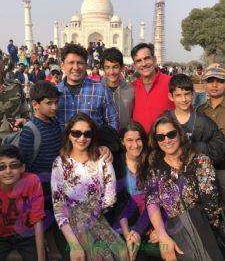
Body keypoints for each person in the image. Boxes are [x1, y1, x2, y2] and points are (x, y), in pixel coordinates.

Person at [146, 116, 224, 261]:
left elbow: (211, 208)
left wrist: (170, 228)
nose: (166, 140)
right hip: (174, 234)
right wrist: (162, 233)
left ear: (180, 134)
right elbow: (152, 202)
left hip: (206, 231)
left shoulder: (200, 161)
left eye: (171, 134)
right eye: (160, 137)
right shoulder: (155, 169)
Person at [51, 112, 128, 260]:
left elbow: (110, 197)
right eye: (76, 133)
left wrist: (87, 213)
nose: (82, 138)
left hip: (97, 217)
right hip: (71, 224)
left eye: (87, 134)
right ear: (69, 134)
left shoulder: (102, 159)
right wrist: (74, 245)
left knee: (122, 252)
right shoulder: (59, 164)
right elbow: (59, 208)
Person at [110, 121, 161, 261]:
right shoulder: (115, 164)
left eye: (139, 139)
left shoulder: (152, 161)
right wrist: (128, 235)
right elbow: (120, 203)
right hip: (125, 221)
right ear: (122, 142)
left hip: (151, 219)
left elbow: (156, 200)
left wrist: (138, 232)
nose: (135, 145)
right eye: (130, 140)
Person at [166, 73, 225, 169]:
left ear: (193, 95)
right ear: (171, 96)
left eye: (186, 94)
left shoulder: (203, 120)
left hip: (203, 170)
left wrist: (195, 147)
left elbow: (219, 147)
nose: (183, 99)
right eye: (178, 95)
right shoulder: (165, 120)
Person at [57, 43, 118, 131]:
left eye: (80, 63)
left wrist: (107, 143)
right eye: (71, 63)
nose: (76, 67)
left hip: (94, 143)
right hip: (62, 144)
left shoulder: (100, 90)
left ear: (86, 65)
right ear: (62, 65)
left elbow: (113, 121)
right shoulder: (55, 92)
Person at [0, 144, 45, 261]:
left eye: (14, 165)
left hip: (26, 234)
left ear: (22, 167)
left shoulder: (32, 181)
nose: (8, 171)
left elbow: (37, 220)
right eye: (2, 167)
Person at [131, 43, 174, 133]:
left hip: (165, 143)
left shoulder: (171, 83)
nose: (144, 64)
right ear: (135, 66)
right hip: (141, 144)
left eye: (147, 58)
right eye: (139, 61)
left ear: (154, 60)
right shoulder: (132, 88)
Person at [198, 63, 225, 201]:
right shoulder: (199, 111)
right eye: (210, 81)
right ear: (205, 84)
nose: (215, 85)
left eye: (220, 81)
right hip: (203, 170)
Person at [101, 47, 134, 129]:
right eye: (107, 67)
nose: (111, 72)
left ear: (122, 67)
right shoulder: (96, 90)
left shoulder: (131, 90)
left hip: (124, 138)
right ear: (103, 68)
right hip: (102, 138)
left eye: (115, 67)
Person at [0, 59, 29, 142]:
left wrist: (24, 122)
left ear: (3, 64)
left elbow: (26, 114)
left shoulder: (16, 86)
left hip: (13, 141)